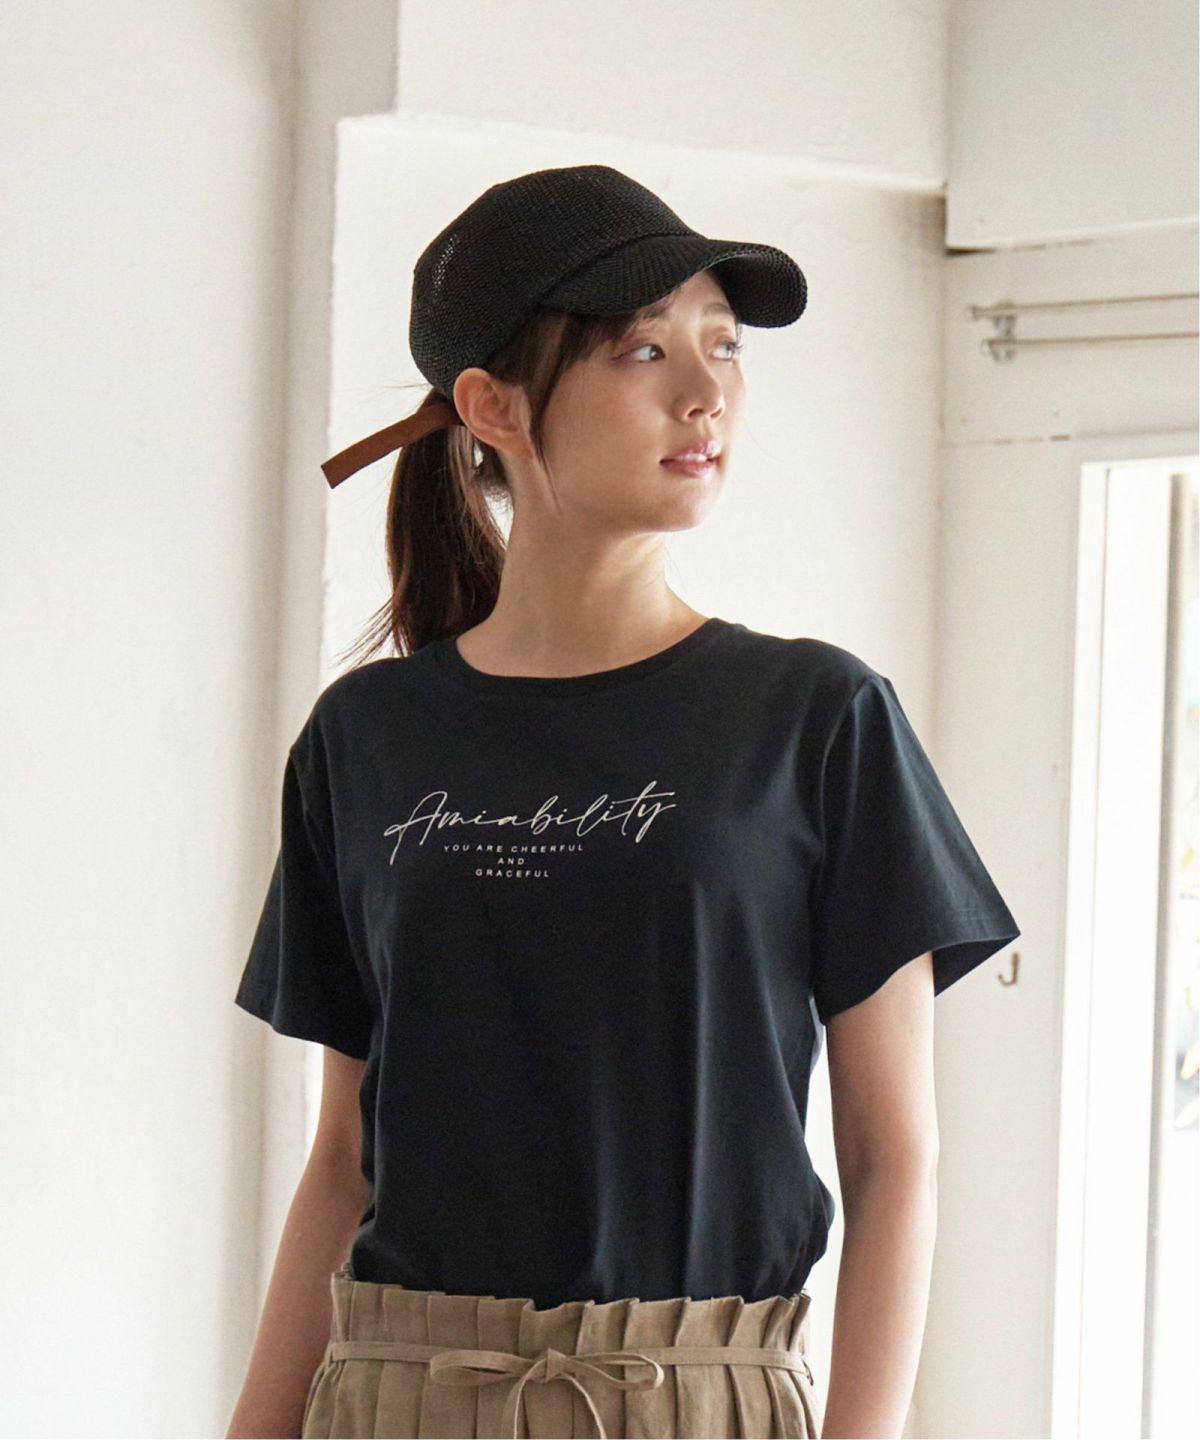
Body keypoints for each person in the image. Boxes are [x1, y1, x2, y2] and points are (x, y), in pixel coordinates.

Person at [226, 164, 1021, 1440]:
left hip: (697, 1398)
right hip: (400, 1396)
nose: (705, 392)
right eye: (643, 349)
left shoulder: (817, 720)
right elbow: (343, 1162)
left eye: (723, 344)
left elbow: (894, 1162)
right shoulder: (365, 737)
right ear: (492, 405)